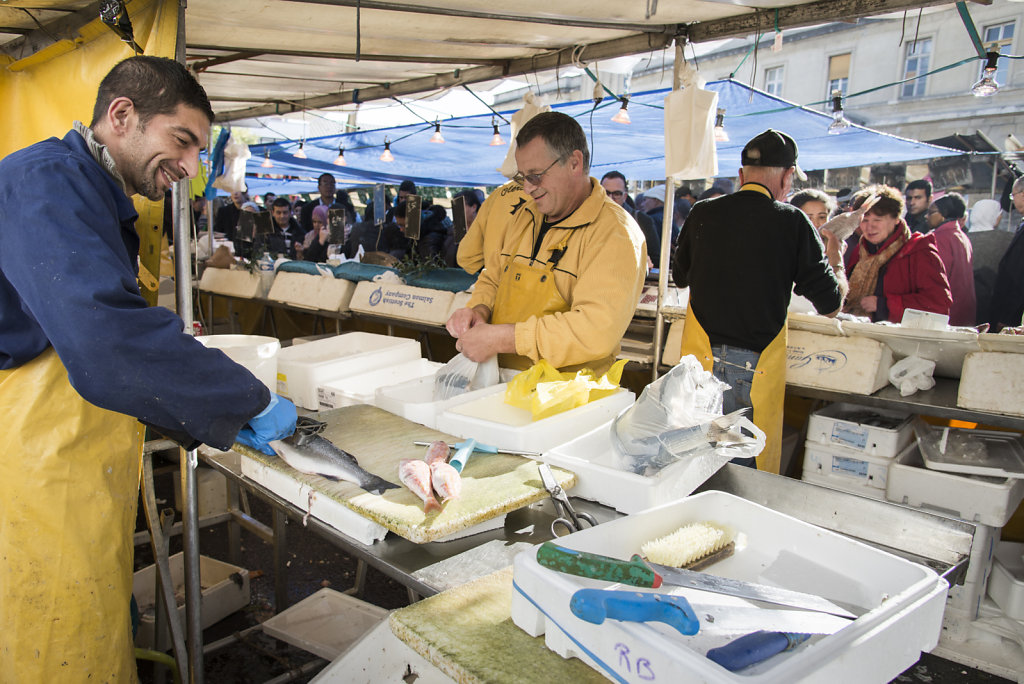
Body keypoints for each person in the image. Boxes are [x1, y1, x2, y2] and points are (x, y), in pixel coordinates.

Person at [0, 55, 296, 682]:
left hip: (77, 462)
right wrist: (243, 400)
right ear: (122, 115)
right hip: (35, 465)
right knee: (48, 642)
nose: (190, 168)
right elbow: (106, 341)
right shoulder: (44, 182)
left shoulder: (94, 191)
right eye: (182, 141)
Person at [672, 129, 847, 474]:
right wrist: (837, 256)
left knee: (698, 457)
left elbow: (681, 278)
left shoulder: (703, 212)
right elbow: (831, 304)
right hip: (748, 369)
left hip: (697, 363)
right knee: (737, 466)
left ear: (741, 175)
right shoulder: (792, 222)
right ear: (786, 176)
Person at [445, 111, 645, 375]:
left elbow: (595, 329)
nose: (527, 188)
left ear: (574, 162)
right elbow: (494, 277)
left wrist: (503, 338)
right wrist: (479, 310)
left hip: (567, 399)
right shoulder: (526, 216)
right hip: (507, 384)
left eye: (536, 176)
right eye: (522, 177)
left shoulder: (616, 232)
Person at [844, 184, 951, 322]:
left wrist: (883, 305)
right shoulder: (860, 252)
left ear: (896, 219)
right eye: (864, 220)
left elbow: (939, 304)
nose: (870, 226)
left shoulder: (918, 251)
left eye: (877, 219)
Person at [456, 180, 531, 274]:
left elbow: (466, 257)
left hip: (498, 280)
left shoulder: (495, 196)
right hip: (536, 280)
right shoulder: (545, 192)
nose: (459, 211)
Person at [927, 193, 975, 325]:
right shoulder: (962, 236)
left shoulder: (939, 238)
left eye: (931, 213)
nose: (927, 216)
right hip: (964, 312)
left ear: (943, 214)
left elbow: (936, 280)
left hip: (945, 315)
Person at [601, 170, 658, 267]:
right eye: (606, 193)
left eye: (616, 194)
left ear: (625, 196)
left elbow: (655, 259)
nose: (610, 198)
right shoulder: (588, 218)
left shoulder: (642, 221)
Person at [990, 177, 1024, 330]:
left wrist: (1008, 315)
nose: (1012, 200)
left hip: (1014, 314)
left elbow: (1019, 274)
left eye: (1013, 195)